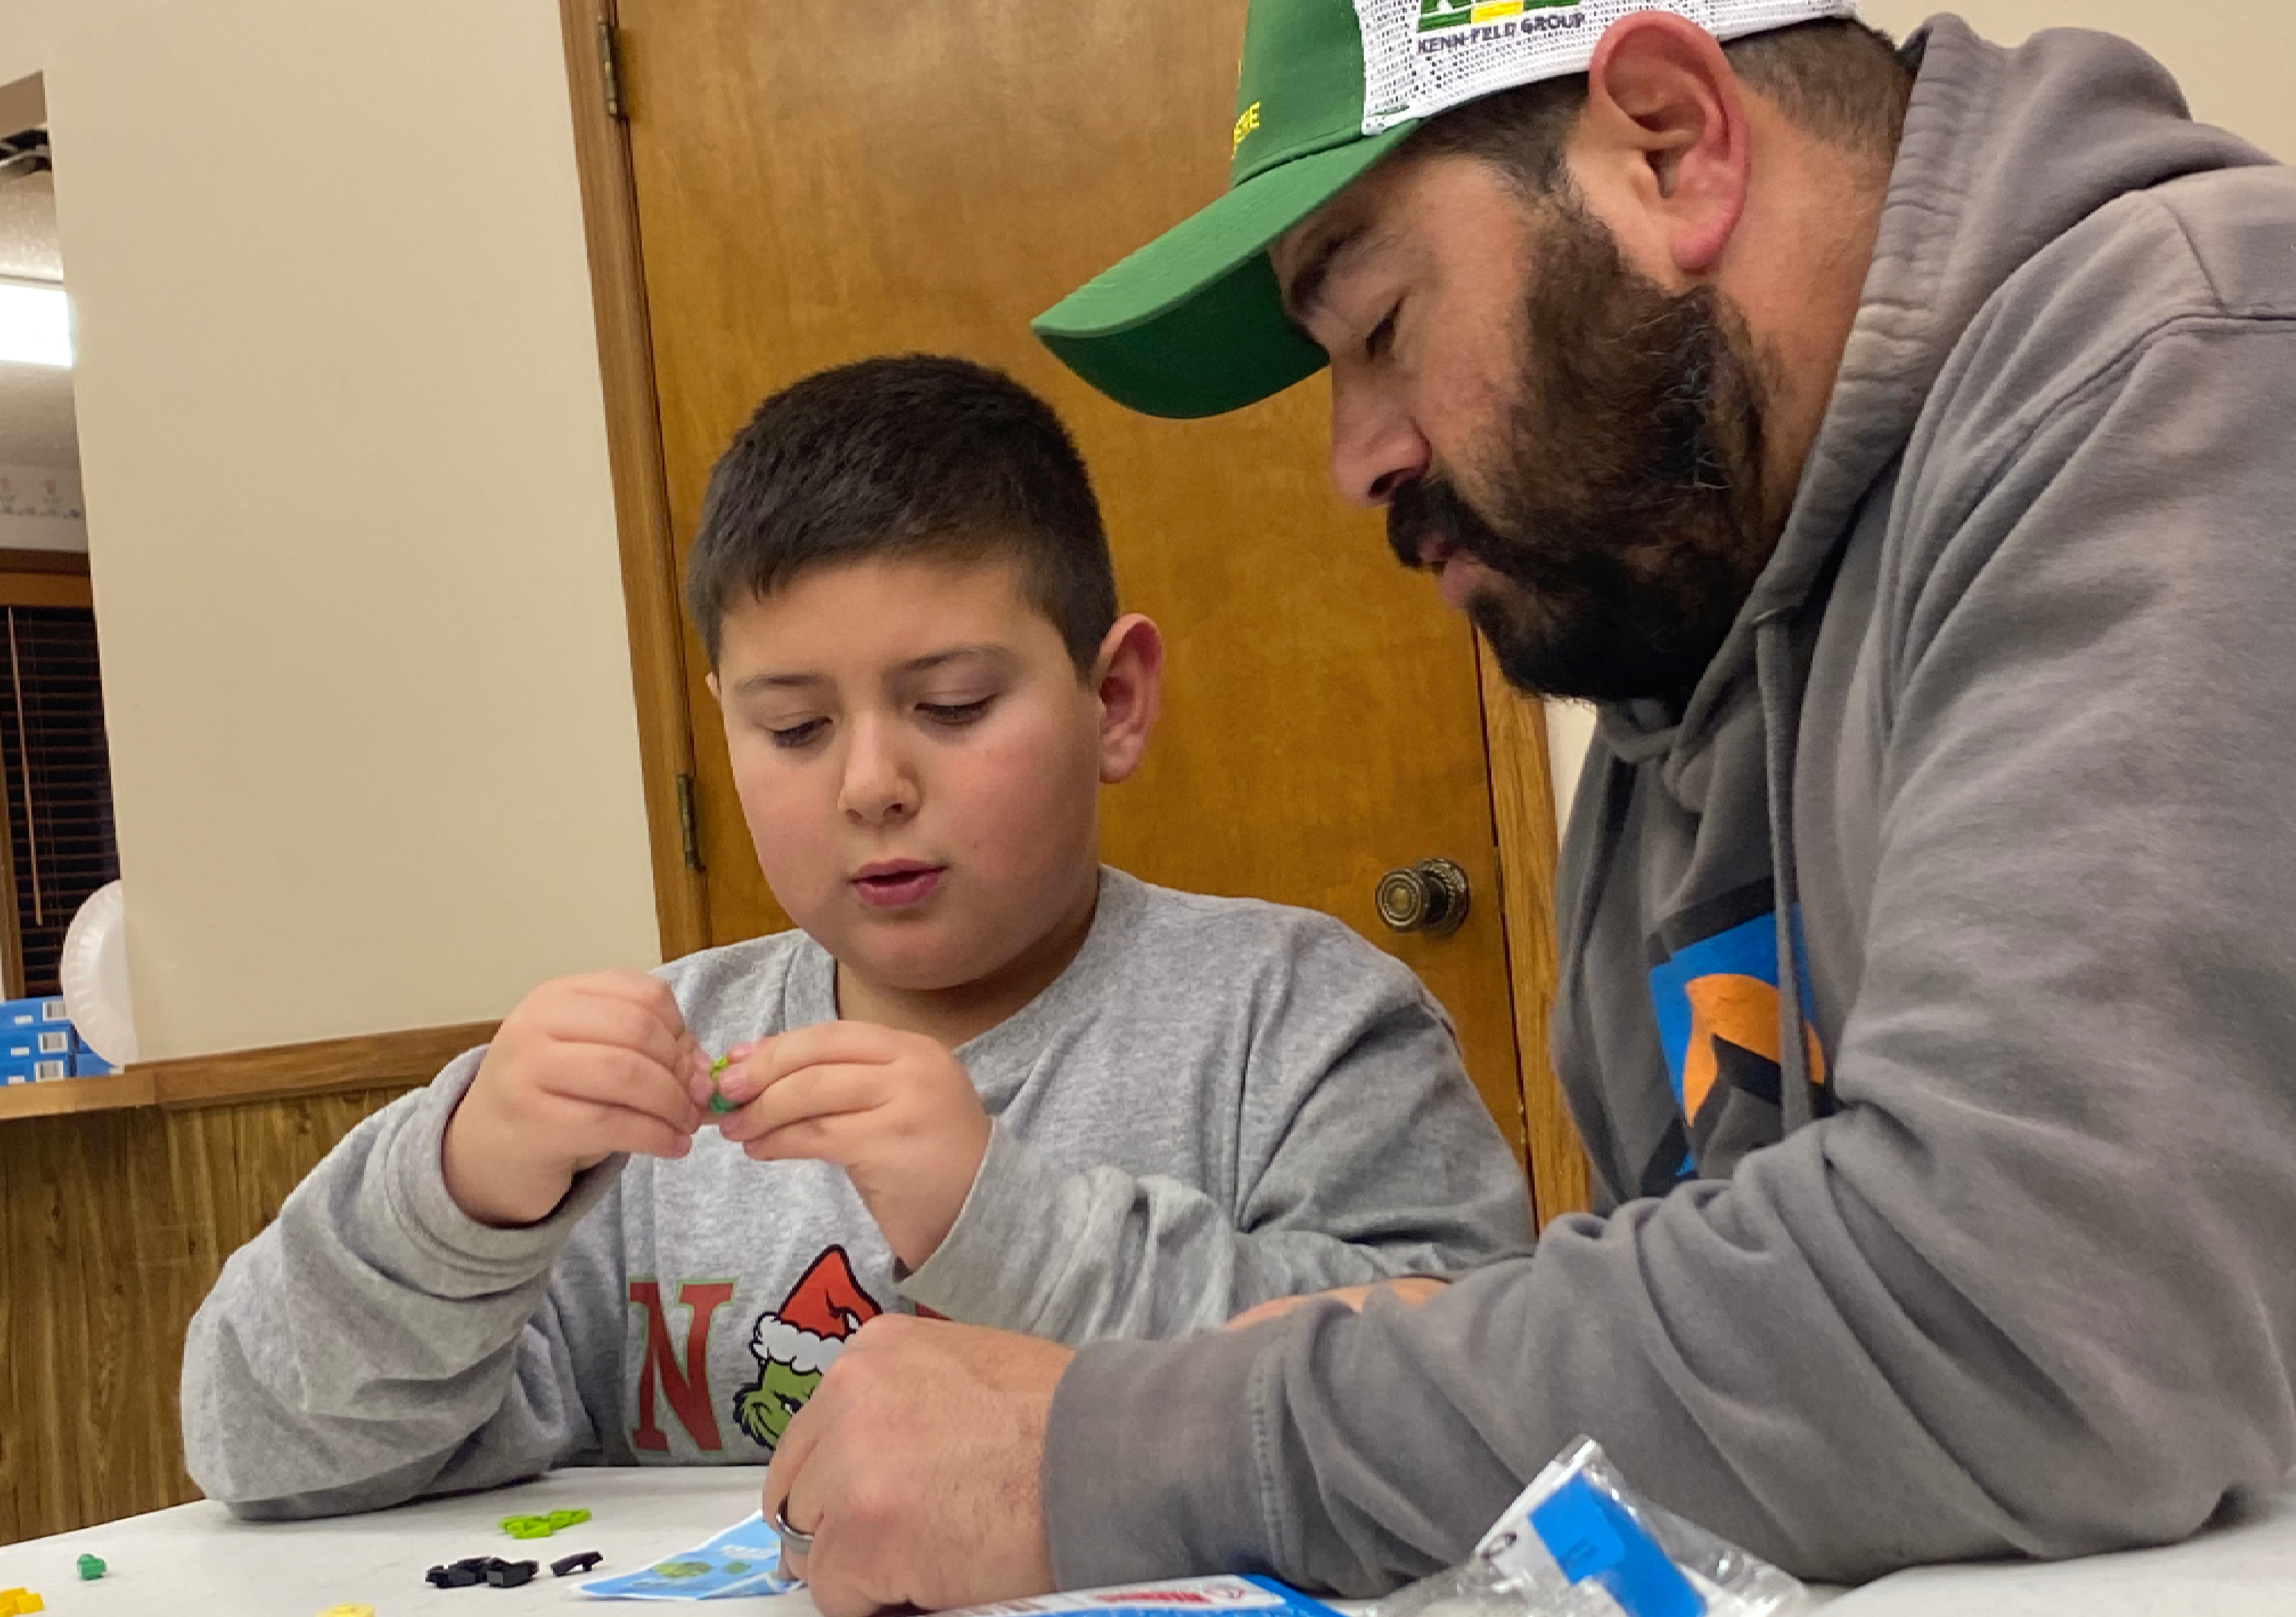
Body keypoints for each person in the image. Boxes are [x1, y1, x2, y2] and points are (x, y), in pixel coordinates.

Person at [760, 3, 2296, 1617]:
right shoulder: (1672, 660)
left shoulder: (2195, 364)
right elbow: (1737, 1357)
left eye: (1377, 325)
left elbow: (2037, 1313)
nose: (1352, 460)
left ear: (1669, 141)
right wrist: (1421, 1369)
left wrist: (1110, 1458)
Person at [177, 354, 1531, 1516]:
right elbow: (261, 1445)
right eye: (794, 728)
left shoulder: (1297, 1024)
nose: (869, 783)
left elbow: (1479, 1426)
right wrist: (458, 1191)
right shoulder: (650, 1091)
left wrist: (1002, 1219)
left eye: (949, 704)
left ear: (1112, 698)